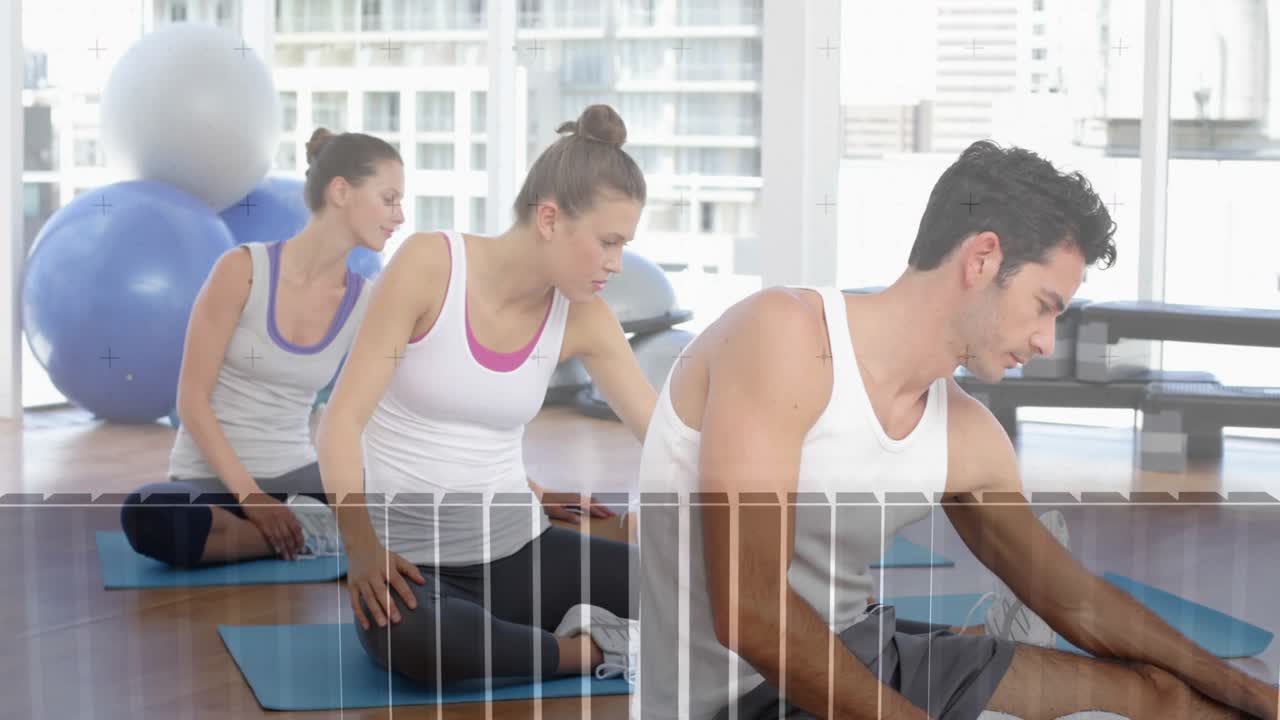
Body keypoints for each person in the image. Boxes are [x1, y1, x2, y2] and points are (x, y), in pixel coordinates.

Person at [635, 140, 1280, 719]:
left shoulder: (967, 436)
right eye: (1043, 306)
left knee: (1164, 701)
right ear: (981, 258)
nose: (1046, 342)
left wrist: (1248, 690)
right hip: (739, 702)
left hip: (867, 656)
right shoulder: (785, 337)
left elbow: (1075, 600)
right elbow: (751, 616)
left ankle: (982, 645)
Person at [316, 104, 656, 687]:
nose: (616, 264)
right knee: (421, 640)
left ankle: (561, 640)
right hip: (414, 570)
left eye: (623, 245)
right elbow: (340, 422)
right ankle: (595, 650)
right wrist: (362, 547)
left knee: (691, 588)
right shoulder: (430, 265)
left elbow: (664, 435)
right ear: (549, 218)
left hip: (522, 554)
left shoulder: (584, 317)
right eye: (607, 242)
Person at [119, 129, 404, 568]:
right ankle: (313, 533)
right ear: (342, 191)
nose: (399, 215)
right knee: (148, 514)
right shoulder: (241, 271)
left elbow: (401, 398)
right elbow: (191, 401)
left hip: (296, 476)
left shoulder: (363, 302)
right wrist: (254, 499)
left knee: (404, 496)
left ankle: (279, 536)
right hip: (208, 482)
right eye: (389, 199)